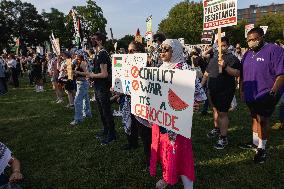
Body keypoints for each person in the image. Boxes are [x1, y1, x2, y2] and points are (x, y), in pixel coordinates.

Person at [149, 39, 206, 189]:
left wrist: (192, 105)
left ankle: (188, 185)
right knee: (165, 149)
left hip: (178, 120)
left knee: (180, 151)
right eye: (161, 49)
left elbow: (198, 94)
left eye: (166, 49)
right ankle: (167, 176)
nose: (162, 52)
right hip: (162, 119)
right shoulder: (160, 68)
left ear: (176, 51)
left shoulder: (184, 69)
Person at [239, 27, 284, 163]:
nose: (252, 42)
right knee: (254, 117)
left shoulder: (274, 50)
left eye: (254, 39)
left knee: (263, 120)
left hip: (266, 92)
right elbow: (242, 74)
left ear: (261, 37)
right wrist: (241, 90)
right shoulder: (247, 54)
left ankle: (262, 148)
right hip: (250, 93)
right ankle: (254, 143)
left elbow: (281, 73)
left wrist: (273, 91)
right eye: (249, 40)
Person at [201, 37, 241, 149]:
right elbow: (207, 72)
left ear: (227, 46)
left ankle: (223, 138)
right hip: (211, 89)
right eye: (218, 45)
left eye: (223, 45)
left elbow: (237, 73)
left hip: (225, 90)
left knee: (222, 113)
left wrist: (225, 67)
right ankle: (216, 128)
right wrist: (201, 84)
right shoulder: (214, 57)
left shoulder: (232, 58)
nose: (220, 48)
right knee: (214, 110)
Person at [89, 32, 116, 145]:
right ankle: (106, 130)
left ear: (99, 41)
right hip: (98, 86)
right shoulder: (98, 53)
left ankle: (112, 134)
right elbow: (98, 72)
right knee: (101, 110)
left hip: (103, 87)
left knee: (106, 111)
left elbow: (104, 74)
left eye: (94, 39)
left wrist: (91, 75)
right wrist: (93, 78)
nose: (92, 41)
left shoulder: (103, 54)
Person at [70, 53, 92, 125]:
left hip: (82, 83)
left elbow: (87, 73)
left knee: (77, 101)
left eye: (77, 55)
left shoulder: (82, 63)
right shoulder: (78, 62)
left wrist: (76, 71)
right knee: (85, 99)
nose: (75, 56)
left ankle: (78, 119)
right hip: (81, 83)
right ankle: (87, 114)